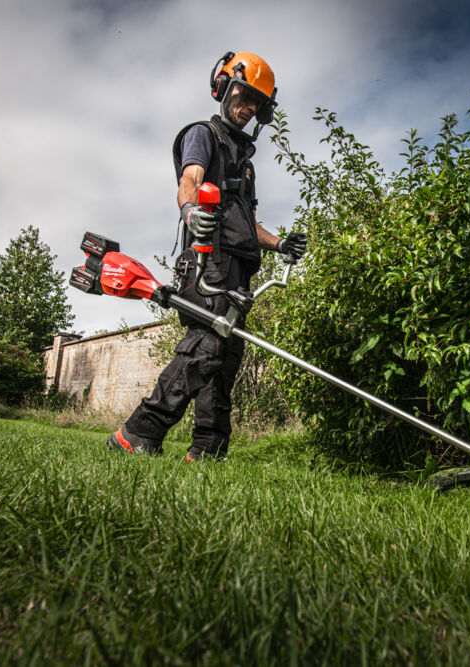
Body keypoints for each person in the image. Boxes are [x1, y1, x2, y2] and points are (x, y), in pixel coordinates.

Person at [108, 51, 306, 460]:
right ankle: (138, 432)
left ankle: (207, 449)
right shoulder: (203, 134)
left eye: (256, 103)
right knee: (207, 345)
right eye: (243, 95)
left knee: (226, 356)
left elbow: (248, 222)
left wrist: (280, 244)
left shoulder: (246, 163)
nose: (247, 107)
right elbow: (190, 180)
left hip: (238, 266)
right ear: (223, 88)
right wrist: (189, 210)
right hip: (207, 259)